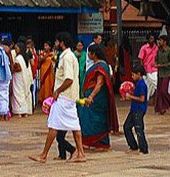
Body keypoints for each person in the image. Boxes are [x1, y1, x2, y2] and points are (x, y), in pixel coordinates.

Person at [29, 31, 86, 164]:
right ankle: (81, 153)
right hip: (70, 97)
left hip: (64, 97)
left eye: (57, 41)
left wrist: (57, 91)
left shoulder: (66, 57)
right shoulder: (70, 56)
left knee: (53, 125)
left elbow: (69, 79)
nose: (55, 44)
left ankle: (44, 155)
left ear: (61, 42)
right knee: (75, 125)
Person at [77, 43, 117, 150]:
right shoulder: (96, 65)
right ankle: (89, 142)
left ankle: (101, 143)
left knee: (97, 120)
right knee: (86, 118)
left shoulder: (101, 66)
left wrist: (91, 96)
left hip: (97, 98)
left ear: (93, 54)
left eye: (89, 53)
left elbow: (99, 83)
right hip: (91, 97)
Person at [122, 63, 149, 155]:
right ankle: (133, 146)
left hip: (139, 109)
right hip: (134, 109)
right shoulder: (137, 84)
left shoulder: (141, 84)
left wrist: (131, 97)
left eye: (133, 74)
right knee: (126, 127)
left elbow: (142, 99)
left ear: (139, 74)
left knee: (139, 129)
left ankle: (143, 149)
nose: (132, 76)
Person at [0, 36, 13, 120]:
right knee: (5, 95)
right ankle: (5, 113)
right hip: (6, 74)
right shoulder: (6, 49)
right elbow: (9, 61)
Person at [153, 35, 170, 114]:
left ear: (165, 42)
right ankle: (161, 108)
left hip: (167, 72)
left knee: (163, 90)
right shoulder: (159, 50)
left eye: (161, 40)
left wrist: (161, 65)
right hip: (160, 73)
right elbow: (156, 59)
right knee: (159, 91)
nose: (159, 42)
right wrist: (155, 63)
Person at [11, 42, 33, 117]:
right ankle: (25, 111)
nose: (16, 50)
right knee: (22, 93)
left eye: (17, 48)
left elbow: (18, 68)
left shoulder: (18, 58)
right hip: (22, 78)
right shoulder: (24, 57)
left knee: (18, 93)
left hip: (18, 77)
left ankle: (19, 111)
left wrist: (12, 69)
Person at [137, 34, 159, 102]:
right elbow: (140, 59)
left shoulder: (156, 48)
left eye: (153, 38)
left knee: (153, 84)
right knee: (150, 85)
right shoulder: (144, 48)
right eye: (150, 39)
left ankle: (150, 99)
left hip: (155, 69)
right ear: (148, 39)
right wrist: (142, 69)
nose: (152, 40)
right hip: (147, 69)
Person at [37, 41, 56, 107]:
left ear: (50, 47)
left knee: (50, 85)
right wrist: (47, 55)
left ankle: (50, 102)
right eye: (45, 46)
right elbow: (40, 60)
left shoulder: (53, 53)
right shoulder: (42, 53)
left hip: (50, 72)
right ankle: (43, 102)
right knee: (43, 86)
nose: (45, 47)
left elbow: (55, 61)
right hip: (43, 71)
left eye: (47, 46)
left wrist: (53, 57)